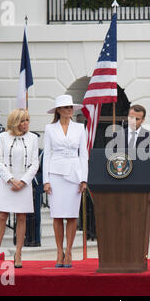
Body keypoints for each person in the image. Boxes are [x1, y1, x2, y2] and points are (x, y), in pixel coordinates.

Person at [0, 109, 39, 269]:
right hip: (6, 183)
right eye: (23, 120)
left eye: (27, 120)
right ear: (15, 122)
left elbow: (35, 163)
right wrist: (10, 179)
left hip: (24, 183)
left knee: (22, 217)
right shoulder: (4, 136)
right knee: (2, 216)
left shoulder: (33, 138)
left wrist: (23, 181)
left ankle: (18, 253)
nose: (26, 124)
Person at [43, 95, 88, 268]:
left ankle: (69, 251)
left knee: (71, 215)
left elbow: (83, 154)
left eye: (71, 107)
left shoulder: (79, 128)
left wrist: (84, 178)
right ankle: (58, 251)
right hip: (55, 174)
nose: (70, 110)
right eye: (66, 107)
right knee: (57, 215)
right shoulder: (49, 128)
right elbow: (47, 154)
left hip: (74, 174)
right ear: (59, 110)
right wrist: (46, 180)